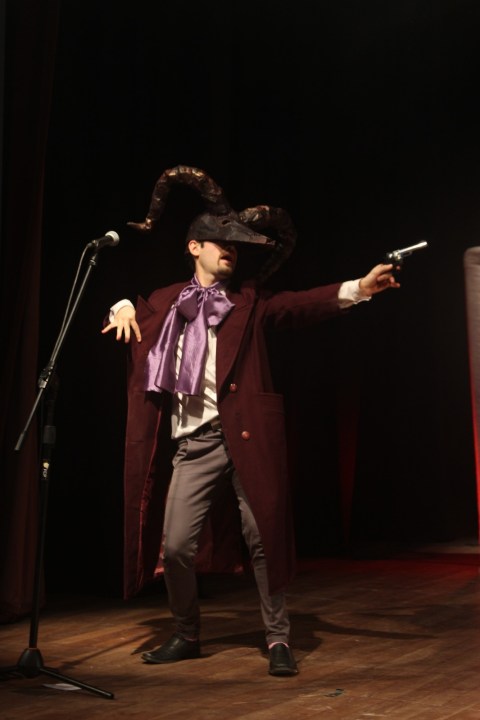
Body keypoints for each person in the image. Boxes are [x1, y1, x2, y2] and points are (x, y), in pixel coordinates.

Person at [102, 165, 400, 677]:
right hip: (194, 442)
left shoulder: (249, 301)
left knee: (262, 537)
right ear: (194, 247)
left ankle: (278, 637)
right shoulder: (165, 302)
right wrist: (122, 305)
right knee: (175, 546)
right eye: (221, 243)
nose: (230, 251)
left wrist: (360, 288)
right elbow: (132, 309)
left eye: (236, 247)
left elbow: (301, 305)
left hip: (247, 436)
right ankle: (186, 632)